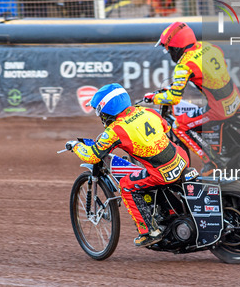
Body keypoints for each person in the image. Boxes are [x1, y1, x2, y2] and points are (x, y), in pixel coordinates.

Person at [65, 83, 190, 247]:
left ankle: (149, 232)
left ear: (106, 110)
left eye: (100, 112)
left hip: (162, 172)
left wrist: (75, 146)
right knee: (145, 168)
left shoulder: (116, 130)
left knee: (126, 185)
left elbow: (93, 155)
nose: (100, 116)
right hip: (181, 158)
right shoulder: (147, 111)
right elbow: (165, 127)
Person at [146, 22, 240, 175]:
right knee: (195, 113)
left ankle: (212, 162)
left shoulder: (185, 64)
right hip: (235, 99)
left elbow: (174, 98)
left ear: (177, 47)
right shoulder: (209, 47)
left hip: (219, 109)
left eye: (169, 49)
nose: (169, 52)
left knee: (178, 125)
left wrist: (154, 98)